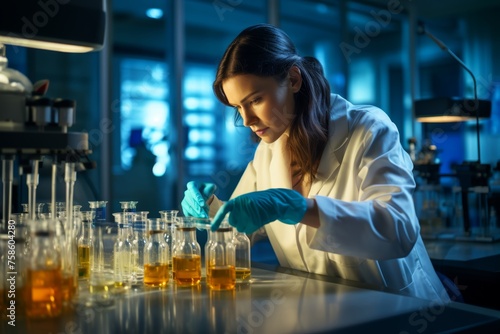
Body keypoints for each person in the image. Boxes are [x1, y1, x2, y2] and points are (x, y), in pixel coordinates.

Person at [181, 23, 450, 303]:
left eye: (256, 100)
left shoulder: (369, 129)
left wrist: (298, 208)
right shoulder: (267, 152)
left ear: (294, 80)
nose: (247, 120)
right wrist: (210, 207)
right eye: (238, 107)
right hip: (319, 311)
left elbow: (398, 230)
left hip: (397, 308)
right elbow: (239, 229)